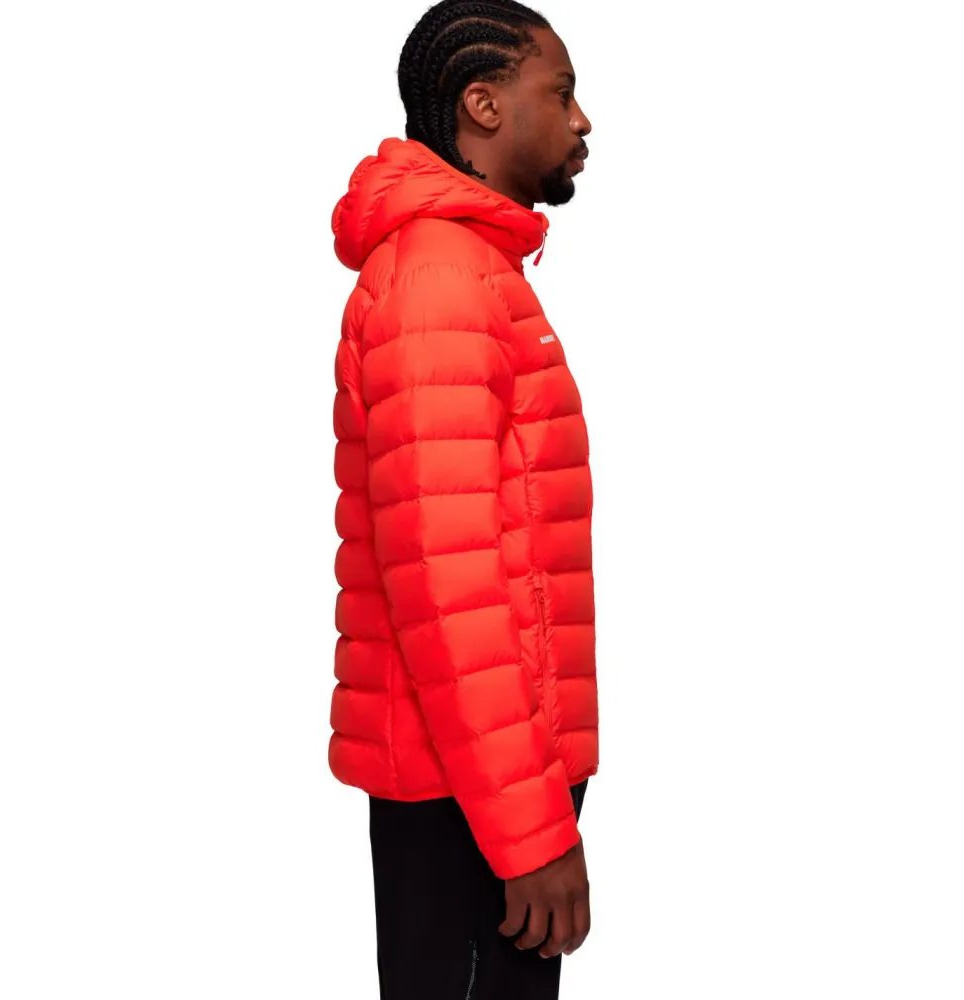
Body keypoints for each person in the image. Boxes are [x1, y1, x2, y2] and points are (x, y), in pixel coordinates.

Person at [328, 2, 597, 996]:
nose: (581, 120)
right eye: (560, 92)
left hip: (484, 778)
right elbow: (448, 592)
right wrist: (528, 832)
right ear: (484, 106)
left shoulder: (472, 271)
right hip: (470, 798)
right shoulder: (440, 282)